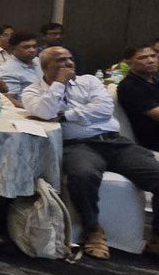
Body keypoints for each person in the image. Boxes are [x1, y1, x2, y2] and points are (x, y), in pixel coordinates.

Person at [23, 47, 159, 260]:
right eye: (60, 60)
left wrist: (65, 116)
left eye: (70, 58)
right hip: (78, 145)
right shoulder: (33, 91)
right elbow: (45, 112)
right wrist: (59, 84)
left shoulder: (89, 81)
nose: (69, 63)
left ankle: (156, 239)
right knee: (82, 175)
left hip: (114, 142)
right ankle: (93, 230)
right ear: (45, 67)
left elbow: (103, 109)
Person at [117, 45, 159, 154]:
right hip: (152, 141)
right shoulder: (129, 86)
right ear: (128, 63)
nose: (151, 60)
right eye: (143, 58)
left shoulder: (155, 81)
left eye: (153, 56)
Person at [0, 32, 43, 104]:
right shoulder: (8, 69)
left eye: (34, 46)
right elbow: (9, 99)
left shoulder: (38, 61)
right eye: (26, 47)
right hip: (30, 109)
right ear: (12, 49)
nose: (32, 50)